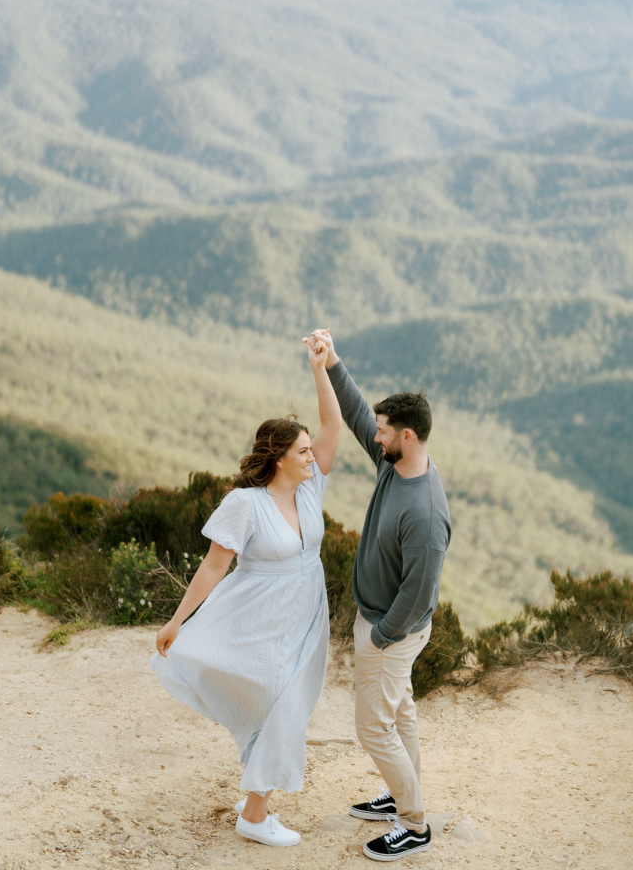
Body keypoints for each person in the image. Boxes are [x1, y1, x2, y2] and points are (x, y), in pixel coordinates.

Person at [149, 334, 341, 849]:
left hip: (306, 616)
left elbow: (332, 425)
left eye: (308, 451)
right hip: (258, 616)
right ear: (278, 457)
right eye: (301, 451)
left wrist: (321, 366)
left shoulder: (309, 487)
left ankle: (255, 793)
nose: (311, 455)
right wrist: (177, 621)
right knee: (282, 705)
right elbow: (213, 569)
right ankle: (255, 816)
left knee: (289, 702)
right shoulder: (244, 504)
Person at [310, 328, 451, 863]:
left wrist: (381, 638)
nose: (377, 436)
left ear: (408, 436)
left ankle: (413, 824)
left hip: (393, 631)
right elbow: (357, 417)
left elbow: (420, 592)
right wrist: (331, 362)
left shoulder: (425, 512)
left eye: (386, 431)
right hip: (383, 624)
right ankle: (400, 798)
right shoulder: (394, 463)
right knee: (403, 713)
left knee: (372, 726)